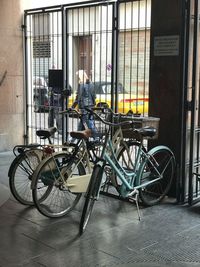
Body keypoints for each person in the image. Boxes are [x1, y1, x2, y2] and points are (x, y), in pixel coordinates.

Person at [71, 70, 98, 138]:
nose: (78, 78)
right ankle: (74, 139)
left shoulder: (81, 84)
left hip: (84, 107)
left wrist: (72, 107)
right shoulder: (91, 84)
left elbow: (78, 97)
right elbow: (94, 96)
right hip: (91, 107)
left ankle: (96, 138)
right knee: (82, 124)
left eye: (78, 77)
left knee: (90, 125)